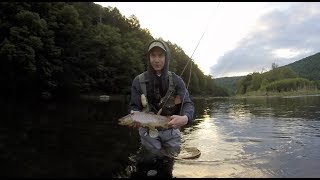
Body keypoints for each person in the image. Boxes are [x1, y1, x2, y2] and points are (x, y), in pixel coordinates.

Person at [128, 39, 195, 177]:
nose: (157, 60)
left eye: (160, 55)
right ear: (149, 58)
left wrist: (185, 118)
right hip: (148, 131)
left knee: (168, 164)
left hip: (171, 130)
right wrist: (133, 115)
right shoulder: (138, 81)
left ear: (166, 57)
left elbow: (188, 103)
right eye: (153, 56)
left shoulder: (177, 80)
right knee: (149, 160)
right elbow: (134, 106)